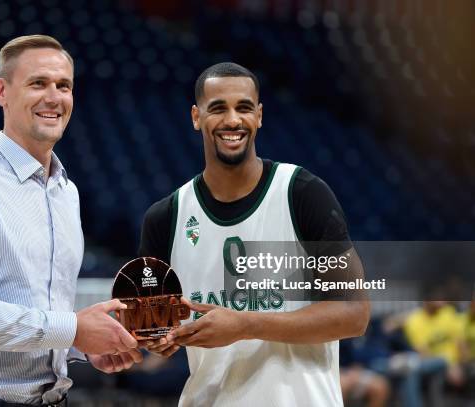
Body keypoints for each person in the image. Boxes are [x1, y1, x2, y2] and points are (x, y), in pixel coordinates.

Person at [0, 35, 141, 407]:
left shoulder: (66, 192)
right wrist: (73, 327)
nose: (54, 97)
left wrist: (81, 345)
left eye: (63, 86)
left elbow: (41, 311)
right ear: (2, 91)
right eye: (38, 83)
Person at [138, 62, 370, 405]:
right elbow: (153, 328)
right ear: (196, 116)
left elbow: (355, 314)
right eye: (218, 108)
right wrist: (155, 338)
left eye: (244, 107)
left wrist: (246, 324)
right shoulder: (164, 218)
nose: (233, 120)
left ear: (259, 116)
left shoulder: (302, 192)